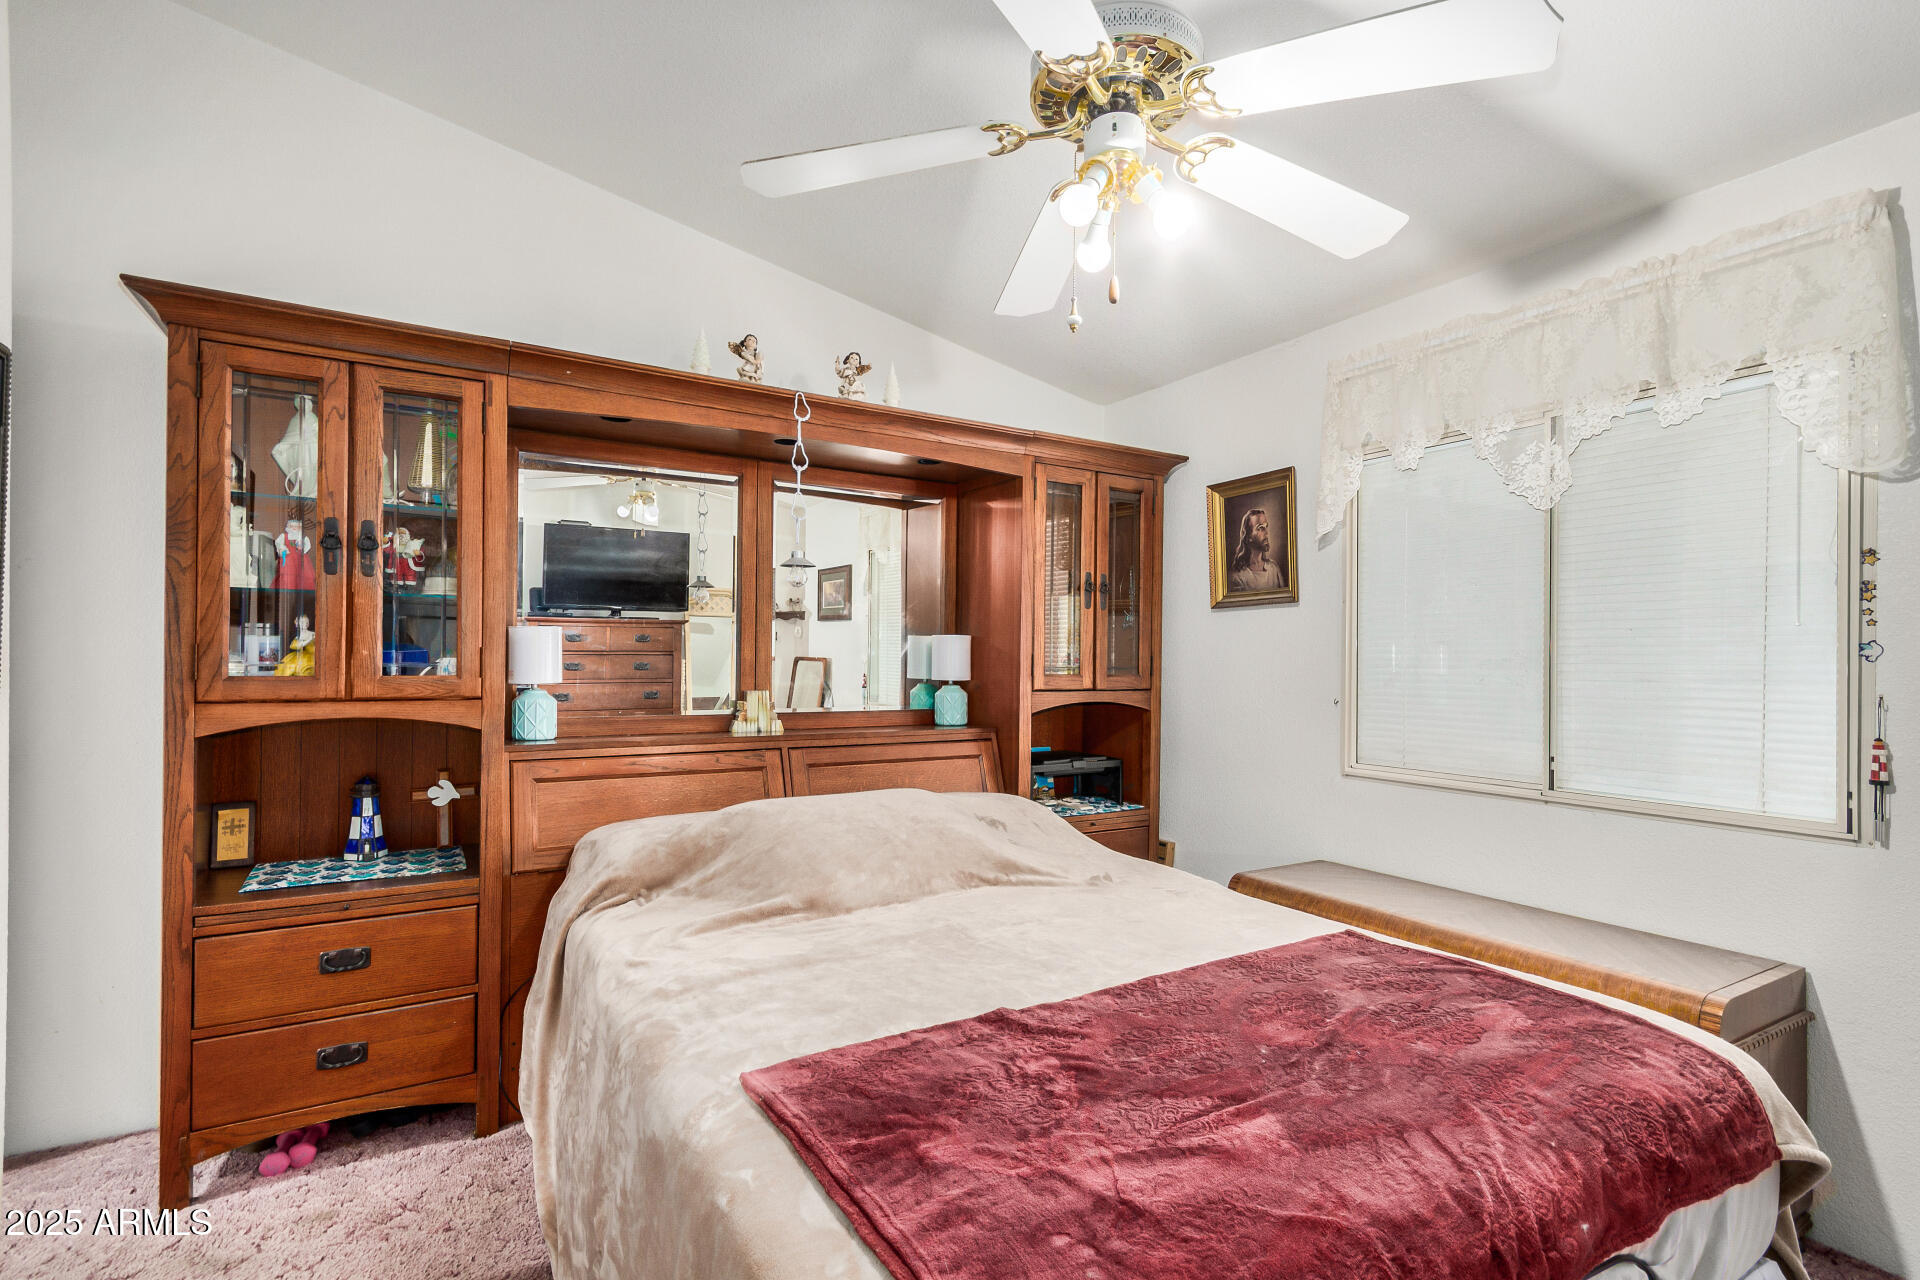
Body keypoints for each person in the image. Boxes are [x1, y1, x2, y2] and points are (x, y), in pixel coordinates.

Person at [1227, 504, 1282, 593]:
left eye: (1266, 527)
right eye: (1260, 528)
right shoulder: (1237, 576)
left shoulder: (1273, 568)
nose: (1267, 534)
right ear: (1248, 536)